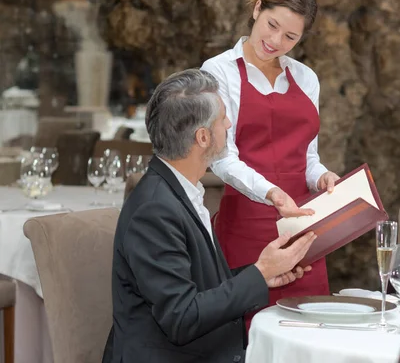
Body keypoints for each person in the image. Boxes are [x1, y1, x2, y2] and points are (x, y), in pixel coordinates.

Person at [102, 69, 316, 363]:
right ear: (202, 137)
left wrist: (261, 276)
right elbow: (181, 318)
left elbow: (198, 286)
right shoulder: (154, 210)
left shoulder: (180, 190)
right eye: (223, 118)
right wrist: (260, 272)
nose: (229, 124)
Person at [201, 0, 338, 324]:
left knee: (307, 334)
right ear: (257, 9)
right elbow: (221, 158)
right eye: (272, 25)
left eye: (290, 37)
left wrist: (321, 176)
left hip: (302, 233)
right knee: (247, 337)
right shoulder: (218, 71)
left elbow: (308, 156)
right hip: (247, 229)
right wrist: (272, 192)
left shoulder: (306, 78)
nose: (276, 41)